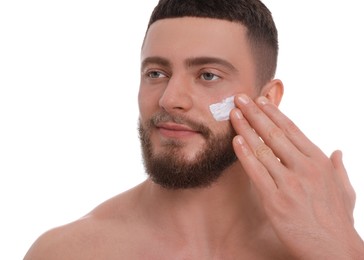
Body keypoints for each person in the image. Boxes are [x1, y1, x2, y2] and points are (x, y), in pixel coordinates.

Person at [24, 0, 364, 258]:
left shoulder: (319, 243)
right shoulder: (70, 252)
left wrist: (342, 248)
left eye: (208, 75)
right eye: (156, 73)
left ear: (266, 99)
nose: (171, 100)